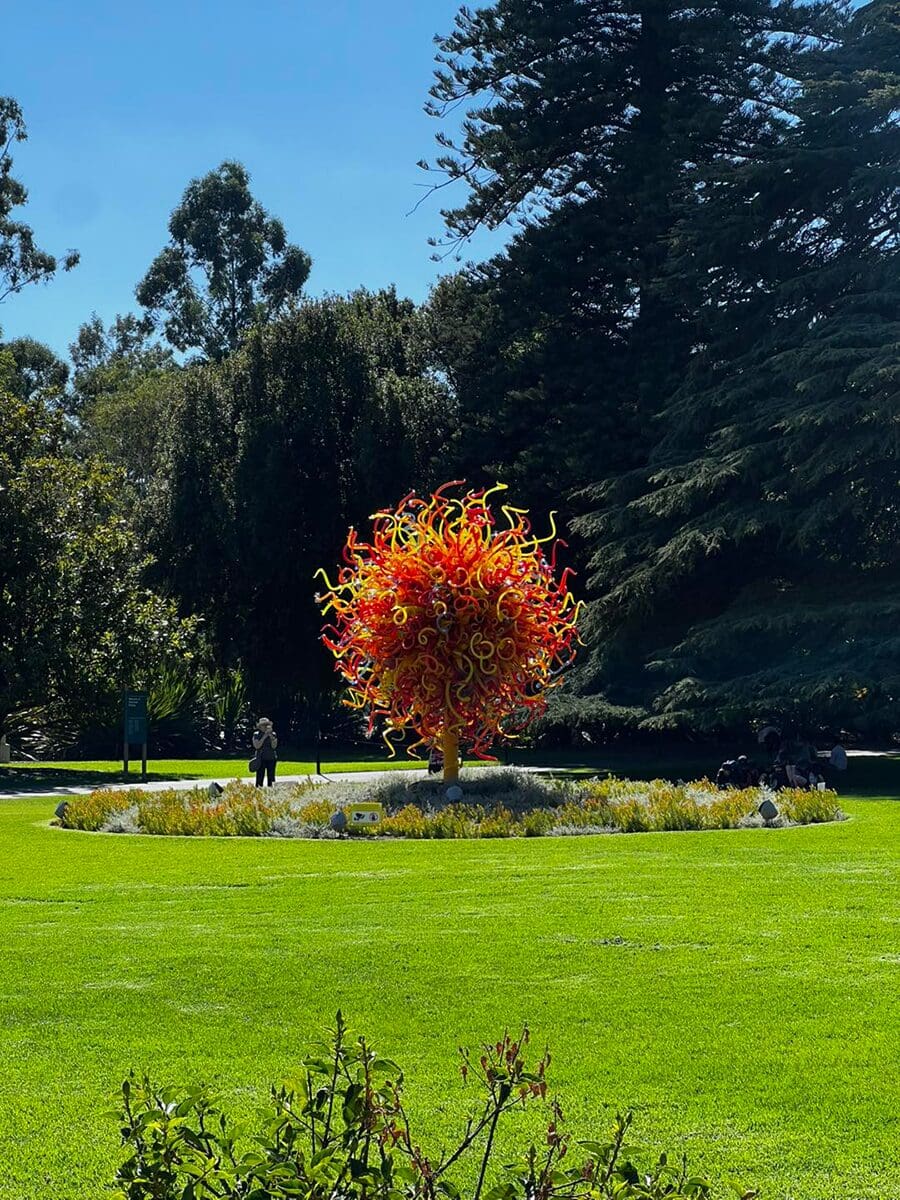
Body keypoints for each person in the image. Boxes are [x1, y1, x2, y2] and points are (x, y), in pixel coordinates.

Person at [252, 717, 278, 788]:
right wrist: (264, 736)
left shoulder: (273, 734)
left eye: (267, 725)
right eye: (263, 725)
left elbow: (274, 746)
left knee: (271, 777)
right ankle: (258, 790)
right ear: (260, 726)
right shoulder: (256, 734)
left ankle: (272, 791)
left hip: (271, 758)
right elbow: (257, 746)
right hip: (261, 758)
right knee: (260, 777)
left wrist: (271, 736)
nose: (265, 726)